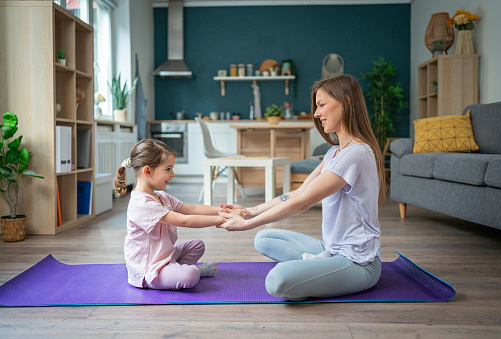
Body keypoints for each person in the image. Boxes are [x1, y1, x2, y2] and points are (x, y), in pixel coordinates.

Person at [218, 74, 385, 301]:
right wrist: (249, 212)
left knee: (276, 281)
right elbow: (297, 193)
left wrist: (247, 224)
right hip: (333, 248)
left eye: (321, 105)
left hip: (358, 262)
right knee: (264, 237)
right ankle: (323, 262)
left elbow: (304, 201)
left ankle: (323, 266)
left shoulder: (356, 153)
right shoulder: (334, 153)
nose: (316, 114)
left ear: (346, 102)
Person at [114, 139, 246, 290]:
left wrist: (227, 211)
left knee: (197, 246)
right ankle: (190, 272)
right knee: (190, 276)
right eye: (168, 169)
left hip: (165, 256)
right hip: (149, 270)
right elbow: (184, 220)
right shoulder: (142, 203)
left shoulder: (161, 197)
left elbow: (193, 209)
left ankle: (173, 271)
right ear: (147, 171)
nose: (173, 174)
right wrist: (222, 219)